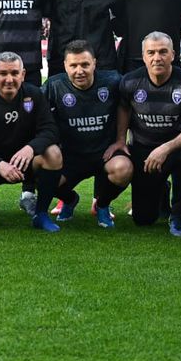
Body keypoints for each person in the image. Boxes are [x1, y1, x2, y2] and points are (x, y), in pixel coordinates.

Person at [105, 32, 181, 236]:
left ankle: (179, 214)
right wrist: (120, 140)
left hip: (176, 150)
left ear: (173, 55)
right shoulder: (130, 82)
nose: (156, 58)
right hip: (144, 151)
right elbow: (123, 108)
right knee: (144, 219)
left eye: (162, 52)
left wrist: (165, 148)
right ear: (143, 56)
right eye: (151, 52)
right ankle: (161, 190)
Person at [0, 52, 63, 231]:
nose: (9, 79)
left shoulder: (35, 94)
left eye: (14, 73)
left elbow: (50, 130)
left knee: (53, 154)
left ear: (23, 74)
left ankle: (41, 214)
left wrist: (31, 148)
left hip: (27, 162)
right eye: (3, 74)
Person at [42, 40, 131, 227]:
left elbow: (127, 106)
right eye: (73, 65)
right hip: (70, 157)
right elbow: (38, 117)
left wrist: (121, 140)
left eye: (85, 64)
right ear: (65, 65)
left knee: (124, 169)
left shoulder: (113, 81)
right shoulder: (53, 86)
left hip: (105, 154)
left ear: (94, 63)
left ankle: (103, 205)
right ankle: (70, 199)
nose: (79, 70)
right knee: (42, 176)